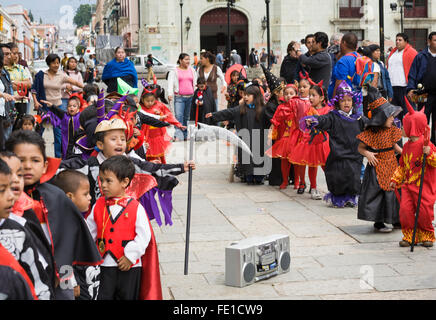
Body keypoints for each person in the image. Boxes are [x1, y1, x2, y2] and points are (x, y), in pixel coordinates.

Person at [5, 130, 102, 300]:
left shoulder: (56, 197)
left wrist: (69, 281)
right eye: (21, 160)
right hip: (17, 277)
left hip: (59, 278)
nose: (27, 166)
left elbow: (67, 245)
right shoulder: (5, 200)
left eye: (35, 160)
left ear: (44, 166)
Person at [85, 155, 162, 300]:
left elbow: (144, 236)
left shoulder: (136, 207)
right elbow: (89, 232)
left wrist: (131, 256)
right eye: (101, 180)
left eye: (108, 181)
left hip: (129, 266)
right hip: (104, 264)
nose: (103, 185)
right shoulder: (98, 205)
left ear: (124, 182)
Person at [303, 81, 366, 208]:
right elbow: (323, 119)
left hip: (354, 156)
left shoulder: (359, 118)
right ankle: (339, 198)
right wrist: (315, 120)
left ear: (353, 102)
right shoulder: (333, 116)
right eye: (343, 100)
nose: (346, 103)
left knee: (353, 179)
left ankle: (351, 197)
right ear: (338, 103)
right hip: (338, 156)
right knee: (337, 179)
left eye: (349, 100)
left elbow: (371, 127)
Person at [391, 99, 436, 247]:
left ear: (412, 126)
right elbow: (403, 166)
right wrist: (395, 179)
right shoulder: (407, 146)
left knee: (424, 213)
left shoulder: (427, 144)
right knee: (405, 211)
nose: (402, 128)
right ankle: (410, 235)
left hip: (424, 187)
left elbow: (434, 162)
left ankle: (427, 235)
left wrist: (429, 154)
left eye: (404, 125)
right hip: (408, 186)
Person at [357, 85, 403, 232]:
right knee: (376, 194)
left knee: (395, 192)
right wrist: (368, 154)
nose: (392, 118)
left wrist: (406, 154)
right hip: (376, 166)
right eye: (389, 116)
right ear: (381, 117)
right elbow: (360, 148)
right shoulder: (372, 133)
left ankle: (396, 219)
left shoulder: (392, 131)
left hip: (392, 165)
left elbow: (395, 147)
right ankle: (379, 221)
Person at [206, 84, 269, 185]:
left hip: (259, 140)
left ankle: (259, 177)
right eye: (245, 95)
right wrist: (214, 115)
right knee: (246, 159)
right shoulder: (241, 109)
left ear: (256, 96)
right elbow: (228, 112)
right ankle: (248, 176)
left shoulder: (263, 109)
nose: (245, 97)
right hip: (245, 140)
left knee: (259, 158)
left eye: (248, 95)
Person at [52, 169, 100, 300]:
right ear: (69, 197)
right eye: (85, 194)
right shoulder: (64, 222)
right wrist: (70, 283)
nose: (90, 197)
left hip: (87, 277)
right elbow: (62, 255)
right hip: (77, 279)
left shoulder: (76, 217)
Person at [31, 53, 84, 159]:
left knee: (58, 134)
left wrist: (87, 88)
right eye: (54, 63)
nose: (56, 65)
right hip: (43, 107)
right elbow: (34, 89)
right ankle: (37, 155)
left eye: (58, 63)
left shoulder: (61, 75)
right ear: (49, 63)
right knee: (39, 132)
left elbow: (75, 82)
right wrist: (36, 102)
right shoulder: (41, 75)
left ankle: (58, 158)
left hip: (58, 108)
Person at [289, 82, 331, 199]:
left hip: (324, 142)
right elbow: (306, 126)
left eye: (314, 95)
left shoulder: (328, 110)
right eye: (310, 95)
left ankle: (333, 187)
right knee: (312, 165)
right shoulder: (310, 110)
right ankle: (313, 188)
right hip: (312, 142)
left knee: (327, 166)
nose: (311, 98)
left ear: (322, 98)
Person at [140, 83, 185, 163]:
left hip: (158, 136)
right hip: (146, 136)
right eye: (147, 101)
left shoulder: (159, 105)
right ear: (142, 99)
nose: (150, 103)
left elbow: (169, 115)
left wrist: (178, 124)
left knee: (160, 156)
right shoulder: (140, 108)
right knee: (147, 155)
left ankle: (162, 170)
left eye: (152, 101)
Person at [266, 84, 298, 189]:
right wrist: (270, 135)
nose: (289, 96)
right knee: (284, 160)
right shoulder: (280, 107)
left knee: (296, 161)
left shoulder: (299, 106)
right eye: (286, 94)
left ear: (296, 95)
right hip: (283, 137)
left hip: (296, 138)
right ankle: (284, 181)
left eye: (291, 94)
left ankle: (297, 182)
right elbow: (274, 121)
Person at [406, 31, 436, 144]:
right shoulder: (420, 56)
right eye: (435, 40)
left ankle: (434, 149)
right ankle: (421, 144)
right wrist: (410, 89)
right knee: (423, 121)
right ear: (429, 42)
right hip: (423, 94)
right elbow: (412, 74)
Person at [262, 64, 286, 186]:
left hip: (282, 135)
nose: (284, 93)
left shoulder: (281, 103)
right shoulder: (270, 106)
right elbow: (273, 121)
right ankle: (276, 179)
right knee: (275, 159)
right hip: (273, 136)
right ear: (276, 92)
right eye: (282, 91)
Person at [387, 33, 418, 121]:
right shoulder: (393, 52)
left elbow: (417, 69)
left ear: (406, 42)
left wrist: (413, 87)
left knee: (408, 111)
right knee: (394, 113)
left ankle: (410, 132)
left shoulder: (412, 52)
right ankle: (397, 133)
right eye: (396, 40)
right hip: (393, 86)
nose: (397, 42)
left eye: (400, 40)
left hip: (405, 87)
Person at [40, 95, 82, 160]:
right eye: (69, 106)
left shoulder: (81, 117)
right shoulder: (64, 116)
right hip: (65, 143)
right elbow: (57, 110)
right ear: (67, 108)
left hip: (77, 144)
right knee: (65, 157)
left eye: (74, 106)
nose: (71, 108)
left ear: (78, 108)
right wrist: (51, 105)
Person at [168, 53, 197, 141]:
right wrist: (170, 93)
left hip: (191, 97)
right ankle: (178, 135)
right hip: (179, 97)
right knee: (178, 116)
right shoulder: (174, 71)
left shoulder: (192, 70)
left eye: (189, 59)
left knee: (187, 117)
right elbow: (170, 83)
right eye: (186, 59)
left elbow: (195, 82)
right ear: (180, 60)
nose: (188, 61)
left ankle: (185, 135)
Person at [4, 43, 31, 129]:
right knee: (8, 128)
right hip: (8, 102)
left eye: (17, 53)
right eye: (14, 53)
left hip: (21, 102)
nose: (16, 56)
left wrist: (13, 83)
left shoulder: (21, 68)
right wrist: (21, 83)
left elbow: (29, 84)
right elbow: (6, 86)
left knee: (20, 128)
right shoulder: (3, 70)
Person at [328, 32, 360, 100]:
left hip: (344, 101)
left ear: (344, 43)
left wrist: (333, 101)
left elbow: (339, 83)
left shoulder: (344, 61)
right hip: (358, 98)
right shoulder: (360, 57)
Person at [0, 46, 18, 149]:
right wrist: (3, 95)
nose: (9, 56)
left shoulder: (5, 72)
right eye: (5, 54)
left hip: (5, 111)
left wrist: (14, 97)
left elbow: (6, 91)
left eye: (9, 54)